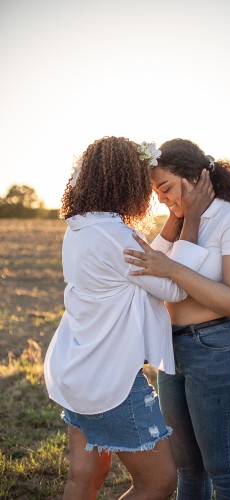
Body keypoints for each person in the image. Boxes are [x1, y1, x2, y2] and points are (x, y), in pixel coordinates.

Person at [44, 136, 213, 500]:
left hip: (77, 369)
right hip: (110, 380)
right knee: (160, 481)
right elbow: (173, 288)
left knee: (84, 478)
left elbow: (143, 260)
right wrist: (192, 220)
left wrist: (172, 221)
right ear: (126, 182)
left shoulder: (81, 229)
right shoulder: (115, 235)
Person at [124, 138, 230, 500]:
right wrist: (174, 219)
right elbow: (147, 266)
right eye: (158, 193)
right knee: (187, 472)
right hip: (174, 349)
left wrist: (171, 268)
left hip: (222, 348)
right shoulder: (181, 219)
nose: (163, 199)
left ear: (194, 178)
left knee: (225, 472)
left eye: (166, 189)